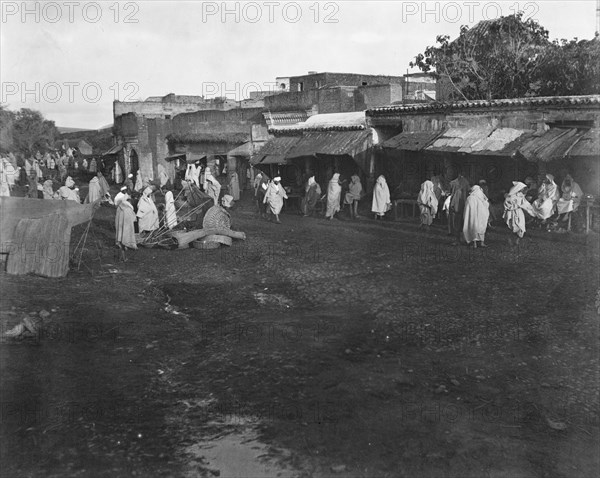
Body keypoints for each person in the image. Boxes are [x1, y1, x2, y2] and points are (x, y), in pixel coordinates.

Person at [503, 181, 536, 246]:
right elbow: (507, 205)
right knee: (512, 226)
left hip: (519, 212)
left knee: (521, 226)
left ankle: (517, 240)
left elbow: (525, 204)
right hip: (512, 213)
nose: (523, 190)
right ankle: (509, 239)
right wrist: (514, 206)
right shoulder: (510, 196)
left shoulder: (521, 196)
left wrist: (532, 210)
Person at [115, 192, 137, 261]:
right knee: (125, 241)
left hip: (120, 227)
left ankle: (122, 257)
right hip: (127, 228)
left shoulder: (119, 207)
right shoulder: (129, 209)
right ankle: (123, 258)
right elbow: (133, 219)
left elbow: (116, 218)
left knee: (121, 241)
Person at [448, 172, 470, 239]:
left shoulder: (453, 183)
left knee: (455, 221)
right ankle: (463, 237)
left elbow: (450, 191)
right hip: (463, 203)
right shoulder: (466, 182)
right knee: (462, 220)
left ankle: (455, 235)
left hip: (456, 204)